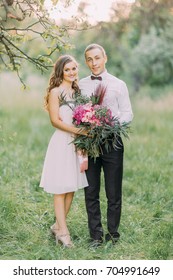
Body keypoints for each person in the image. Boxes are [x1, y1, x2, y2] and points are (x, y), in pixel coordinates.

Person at [79, 44, 133, 247]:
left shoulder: (119, 84)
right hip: (89, 142)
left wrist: (112, 125)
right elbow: (77, 112)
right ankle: (95, 236)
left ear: (105, 58)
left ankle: (113, 235)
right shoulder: (81, 85)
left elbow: (128, 113)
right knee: (90, 191)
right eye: (89, 59)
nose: (94, 63)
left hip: (112, 142)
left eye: (97, 58)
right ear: (86, 62)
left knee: (113, 192)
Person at [40, 55, 88, 248]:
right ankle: (64, 233)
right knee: (60, 188)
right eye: (67, 69)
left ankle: (58, 226)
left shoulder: (78, 92)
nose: (71, 72)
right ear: (60, 71)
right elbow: (55, 121)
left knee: (71, 187)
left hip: (77, 145)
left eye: (74, 68)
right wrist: (79, 131)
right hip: (62, 142)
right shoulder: (56, 91)